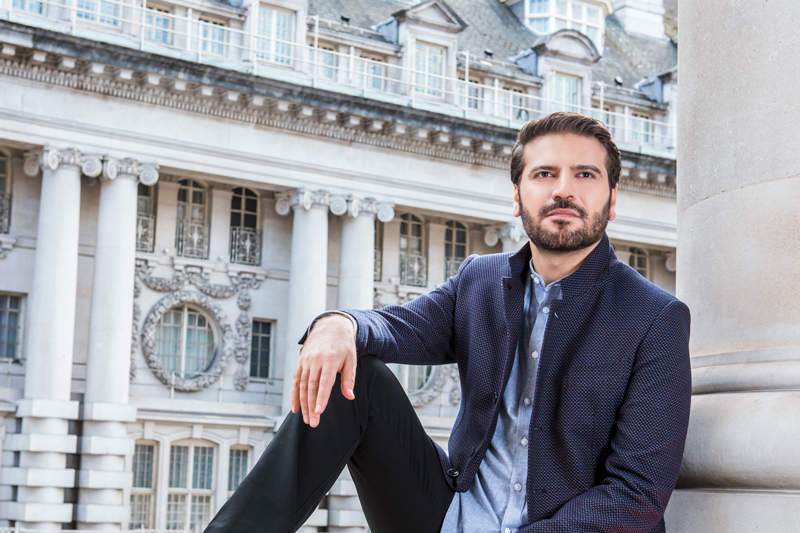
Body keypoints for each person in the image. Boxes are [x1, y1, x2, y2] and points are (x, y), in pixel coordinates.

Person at [204, 112, 691, 533]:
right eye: (545, 173)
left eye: (585, 174)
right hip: (448, 515)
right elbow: (400, 326)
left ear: (612, 196)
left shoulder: (655, 317)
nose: (563, 189)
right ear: (517, 196)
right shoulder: (480, 280)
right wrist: (338, 325)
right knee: (356, 378)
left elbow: (637, 496)